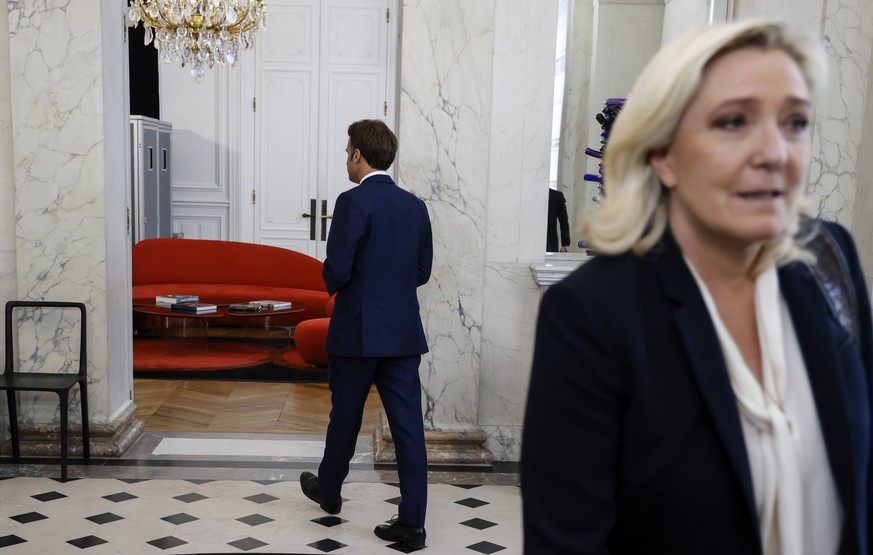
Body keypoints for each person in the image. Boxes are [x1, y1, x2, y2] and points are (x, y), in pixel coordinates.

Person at [521, 19, 872, 555]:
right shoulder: (592, 313)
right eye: (734, 122)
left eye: (796, 122)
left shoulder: (829, 257)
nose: (776, 152)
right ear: (663, 153)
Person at [299, 119, 432, 551]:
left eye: (346, 151)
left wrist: (344, 284)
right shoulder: (415, 206)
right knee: (408, 428)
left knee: (346, 417)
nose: (345, 158)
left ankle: (331, 491)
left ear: (358, 154)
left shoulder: (352, 202)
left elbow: (336, 270)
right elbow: (421, 272)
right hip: (403, 334)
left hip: (357, 331)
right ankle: (412, 523)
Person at [547, 188, 571, 252]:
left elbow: (564, 222)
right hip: (550, 243)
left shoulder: (557, 196)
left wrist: (565, 244)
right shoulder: (557, 195)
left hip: (549, 244)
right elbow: (564, 222)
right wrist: (565, 244)